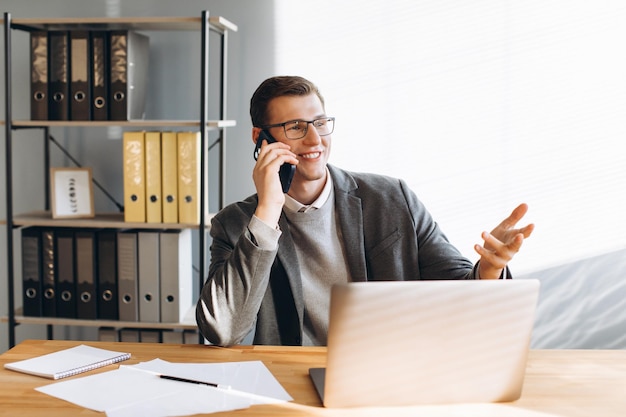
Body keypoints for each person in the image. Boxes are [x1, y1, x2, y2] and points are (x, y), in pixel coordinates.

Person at [196, 75, 534, 346]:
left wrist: (488, 268)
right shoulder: (237, 224)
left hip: (388, 378)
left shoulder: (391, 198)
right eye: (296, 127)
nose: (315, 140)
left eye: (320, 123)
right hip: (290, 383)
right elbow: (224, 330)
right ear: (261, 139)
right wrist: (268, 211)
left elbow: (459, 288)